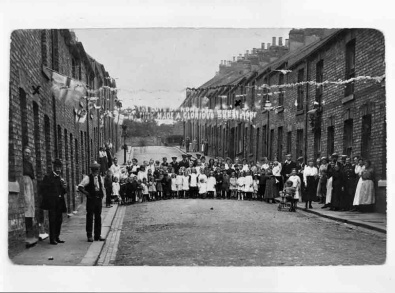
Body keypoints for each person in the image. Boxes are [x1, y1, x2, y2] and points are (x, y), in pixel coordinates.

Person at [40, 158, 67, 245]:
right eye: (57, 167)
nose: (59, 169)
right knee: (53, 220)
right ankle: (52, 239)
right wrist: (49, 197)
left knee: (59, 220)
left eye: (60, 167)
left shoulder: (60, 178)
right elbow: (43, 189)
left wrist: (64, 186)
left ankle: (57, 237)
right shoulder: (48, 177)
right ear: (54, 167)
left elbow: (64, 191)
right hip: (52, 203)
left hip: (59, 202)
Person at [78, 161, 105, 242]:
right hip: (91, 200)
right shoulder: (87, 178)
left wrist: (102, 196)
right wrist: (87, 193)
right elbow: (80, 187)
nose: (96, 171)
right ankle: (89, 235)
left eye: (97, 169)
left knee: (98, 217)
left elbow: (102, 187)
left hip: (98, 200)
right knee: (90, 217)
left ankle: (97, 235)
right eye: (94, 169)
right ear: (92, 170)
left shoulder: (100, 178)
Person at [23, 147, 36, 238]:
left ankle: (30, 227)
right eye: (26, 152)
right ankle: (27, 227)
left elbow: (32, 175)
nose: (27, 154)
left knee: (31, 203)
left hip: (29, 183)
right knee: (26, 202)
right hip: (24, 183)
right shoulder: (21, 163)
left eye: (28, 153)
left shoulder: (30, 164)